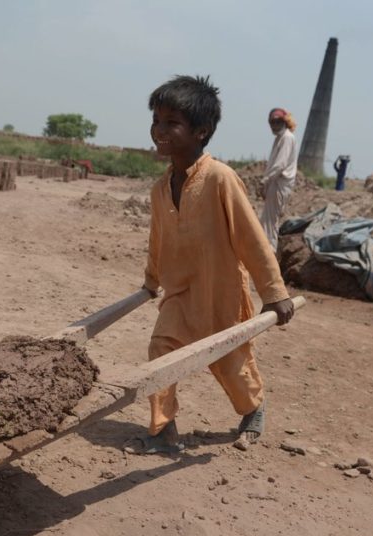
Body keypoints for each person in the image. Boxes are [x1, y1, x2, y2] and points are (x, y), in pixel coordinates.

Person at [125, 75, 295, 456]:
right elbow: (158, 240)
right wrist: (151, 281)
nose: (160, 130)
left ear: (201, 131)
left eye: (172, 123)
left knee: (231, 364)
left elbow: (251, 239)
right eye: (156, 120)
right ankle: (163, 429)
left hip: (220, 294)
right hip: (179, 293)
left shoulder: (220, 178)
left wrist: (274, 292)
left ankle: (253, 410)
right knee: (160, 353)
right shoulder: (160, 187)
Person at [259, 108, 298, 253]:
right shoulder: (280, 138)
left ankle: (269, 257)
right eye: (272, 122)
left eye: (278, 122)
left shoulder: (287, 138)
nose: (274, 125)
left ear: (285, 122)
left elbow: (280, 165)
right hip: (275, 183)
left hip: (280, 183)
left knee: (269, 224)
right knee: (268, 221)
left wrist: (265, 180)